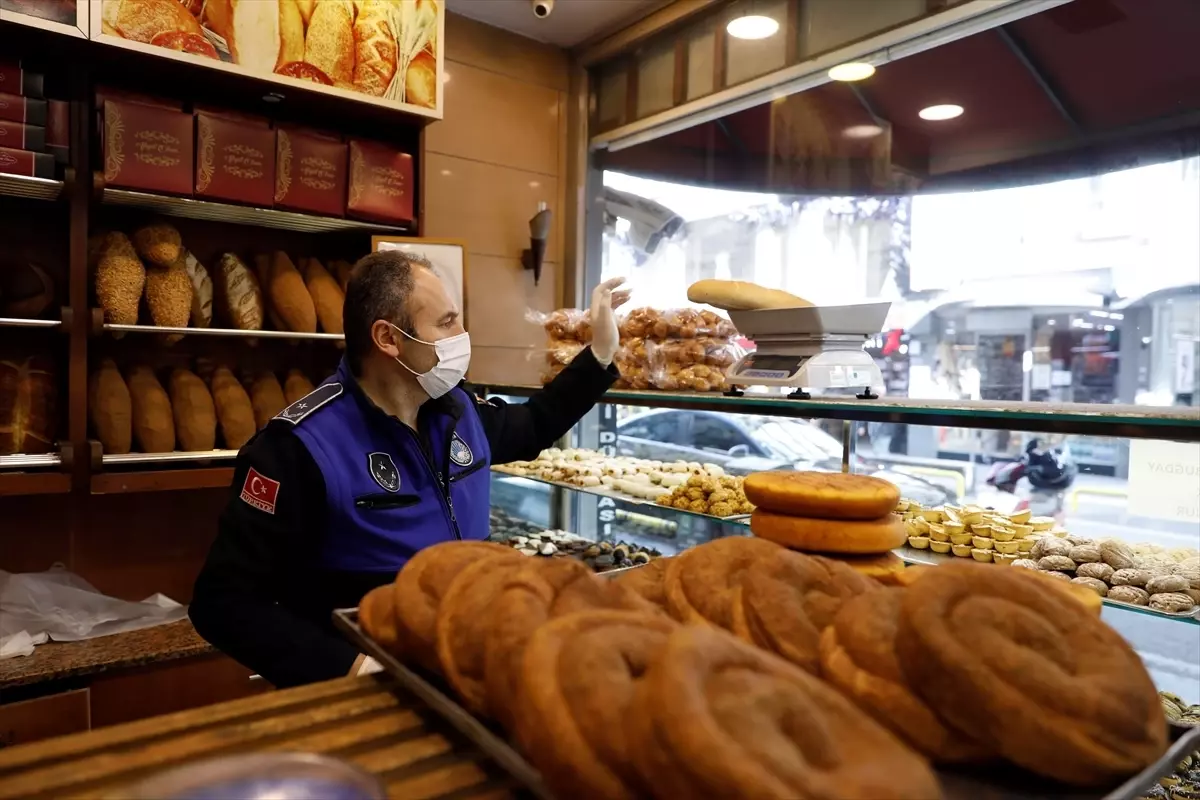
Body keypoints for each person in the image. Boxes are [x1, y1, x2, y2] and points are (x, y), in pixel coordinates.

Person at [190, 252, 630, 688]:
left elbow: (534, 424)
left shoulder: (459, 411)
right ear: (388, 338)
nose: (462, 335)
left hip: (465, 665)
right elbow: (224, 603)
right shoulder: (298, 448)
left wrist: (600, 353)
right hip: (367, 689)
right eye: (446, 323)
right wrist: (355, 668)